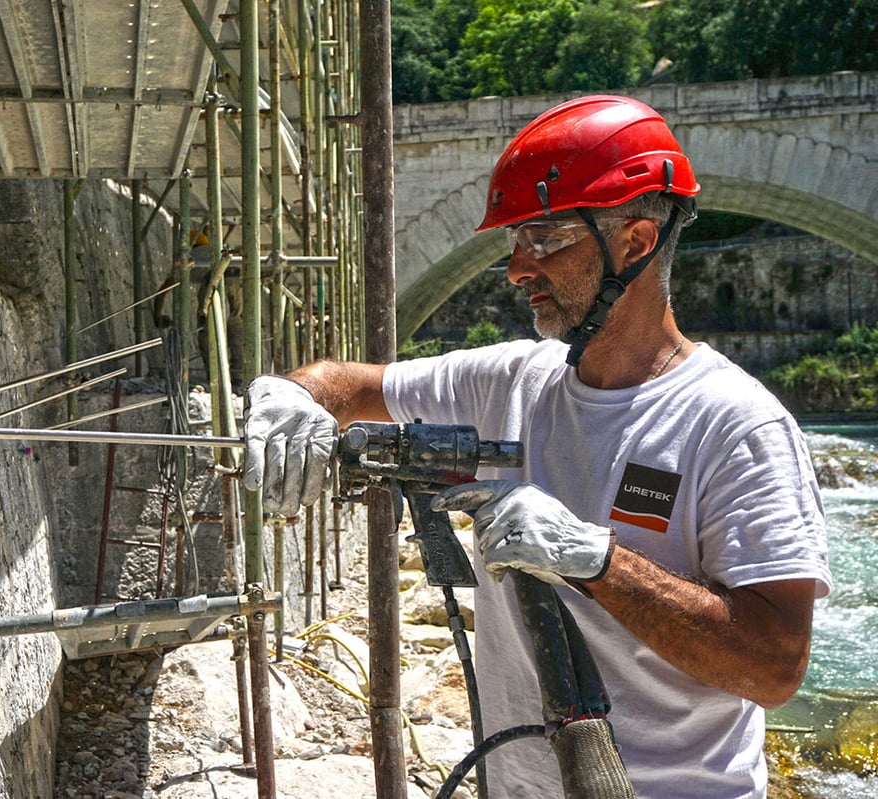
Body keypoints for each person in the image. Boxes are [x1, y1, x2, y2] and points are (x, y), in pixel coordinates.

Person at [242, 95, 831, 797]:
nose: (519, 267)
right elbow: (348, 382)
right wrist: (292, 397)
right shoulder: (510, 380)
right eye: (517, 241)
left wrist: (596, 560)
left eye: (546, 238)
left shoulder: (735, 426)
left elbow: (775, 666)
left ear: (636, 242)